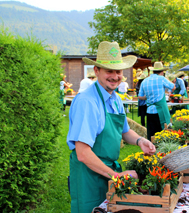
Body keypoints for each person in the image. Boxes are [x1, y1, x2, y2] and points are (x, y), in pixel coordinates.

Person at [67, 41, 156, 213]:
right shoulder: (87, 102)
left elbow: (124, 131)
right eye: (109, 71)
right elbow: (83, 153)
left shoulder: (115, 98)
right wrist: (117, 177)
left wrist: (139, 140)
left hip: (108, 170)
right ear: (97, 71)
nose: (115, 76)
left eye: (118, 71)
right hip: (89, 175)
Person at [138, 61, 175, 140]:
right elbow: (173, 87)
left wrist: (148, 97)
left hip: (150, 111)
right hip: (160, 111)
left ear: (153, 70)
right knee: (164, 132)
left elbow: (140, 96)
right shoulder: (161, 78)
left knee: (152, 134)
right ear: (162, 72)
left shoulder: (145, 81)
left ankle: (152, 150)